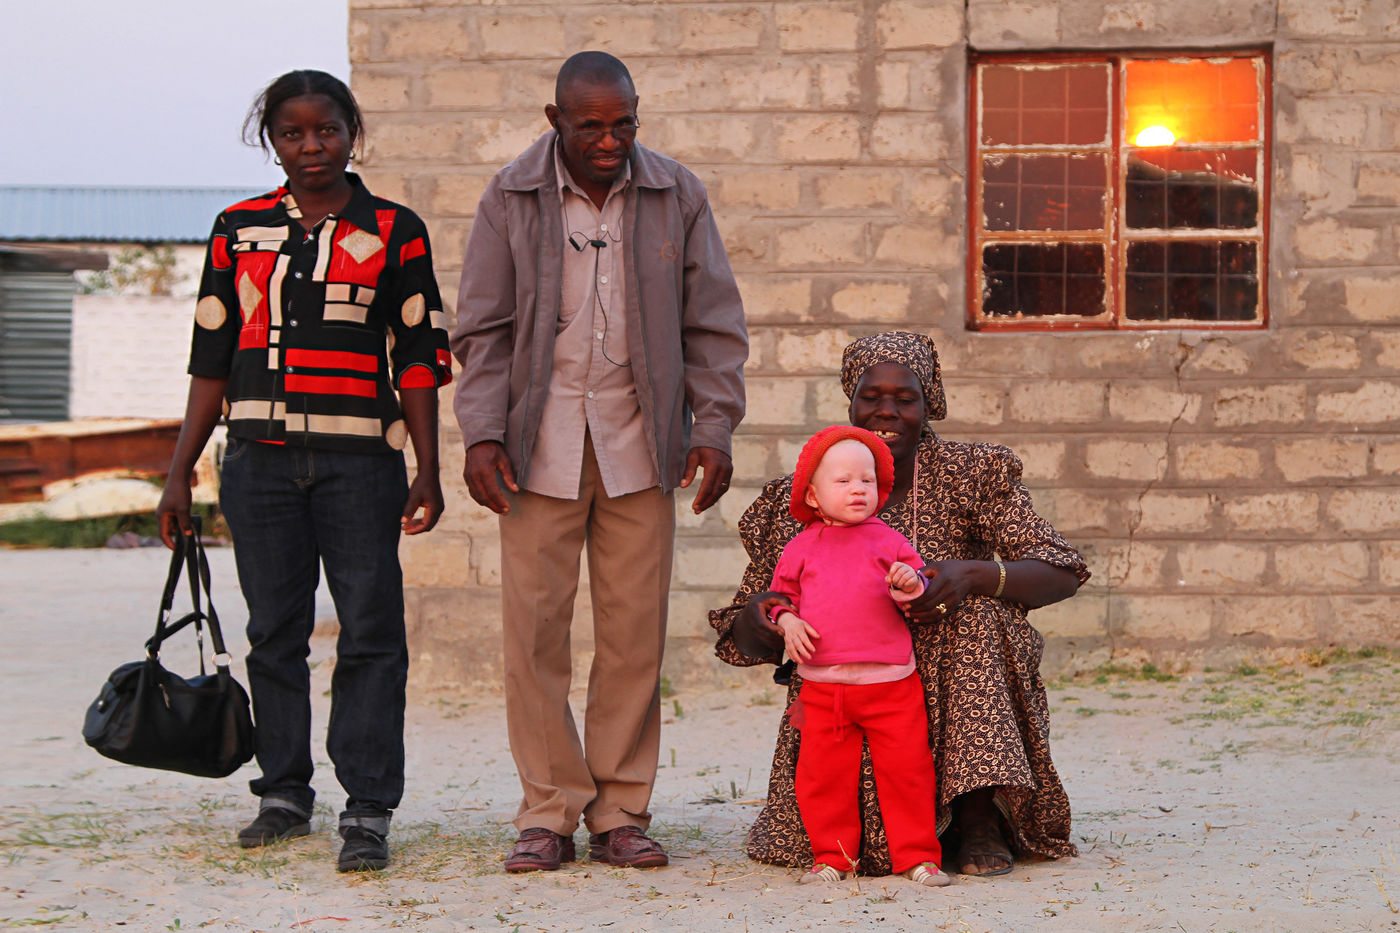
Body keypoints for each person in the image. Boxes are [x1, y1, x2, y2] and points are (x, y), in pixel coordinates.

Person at [451, 51, 747, 873]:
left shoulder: (676, 192)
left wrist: (714, 425)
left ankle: (619, 811)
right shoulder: (510, 196)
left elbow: (714, 322)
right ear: (556, 121)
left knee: (633, 636)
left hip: (640, 445)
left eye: (624, 123)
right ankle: (548, 811)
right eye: (592, 126)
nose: (611, 140)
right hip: (534, 449)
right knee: (534, 636)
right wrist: (481, 433)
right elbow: (481, 329)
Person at [156, 69, 453, 873]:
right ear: (272, 141)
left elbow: (419, 355)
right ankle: (283, 790)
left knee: (371, 633)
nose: (312, 146)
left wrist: (427, 466)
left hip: (362, 466)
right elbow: (211, 357)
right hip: (258, 463)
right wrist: (179, 472)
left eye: (327, 130)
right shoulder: (237, 229)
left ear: (352, 133)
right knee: (274, 632)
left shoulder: (394, 229)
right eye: (293, 133)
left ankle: (368, 806)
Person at [710, 331, 1088, 879]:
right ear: (851, 401)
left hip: (945, 668)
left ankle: (977, 815)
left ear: (929, 402)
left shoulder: (971, 473)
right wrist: (770, 617)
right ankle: (851, 837)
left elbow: (1062, 569)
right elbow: (741, 635)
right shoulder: (808, 491)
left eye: (905, 398)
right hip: (843, 681)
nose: (886, 411)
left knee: (979, 613)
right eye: (871, 397)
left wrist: (969, 575)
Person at [769, 425, 952, 889]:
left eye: (867, 480)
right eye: (843, 480)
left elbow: (918, 584)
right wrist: (788, 621)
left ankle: (917, 856)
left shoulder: (889, 541)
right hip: (822, 686)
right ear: (813, 495)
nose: (858, 489)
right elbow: (779, 599)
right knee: (822, 777)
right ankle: (833, 857)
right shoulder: (801, 547)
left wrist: (908, 584)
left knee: (908, 772)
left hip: (892, 684)